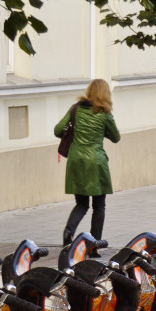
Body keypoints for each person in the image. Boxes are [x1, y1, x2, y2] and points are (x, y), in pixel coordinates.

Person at [57, 79, 120, 246]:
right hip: (96, 162)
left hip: (76, 160)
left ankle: (69, 231)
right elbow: (116, 138)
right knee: (99, 206)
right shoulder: (105, 114)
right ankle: (94, 244)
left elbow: (58, 130)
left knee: (82, 203)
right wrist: (101, 131)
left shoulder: (76, 109)